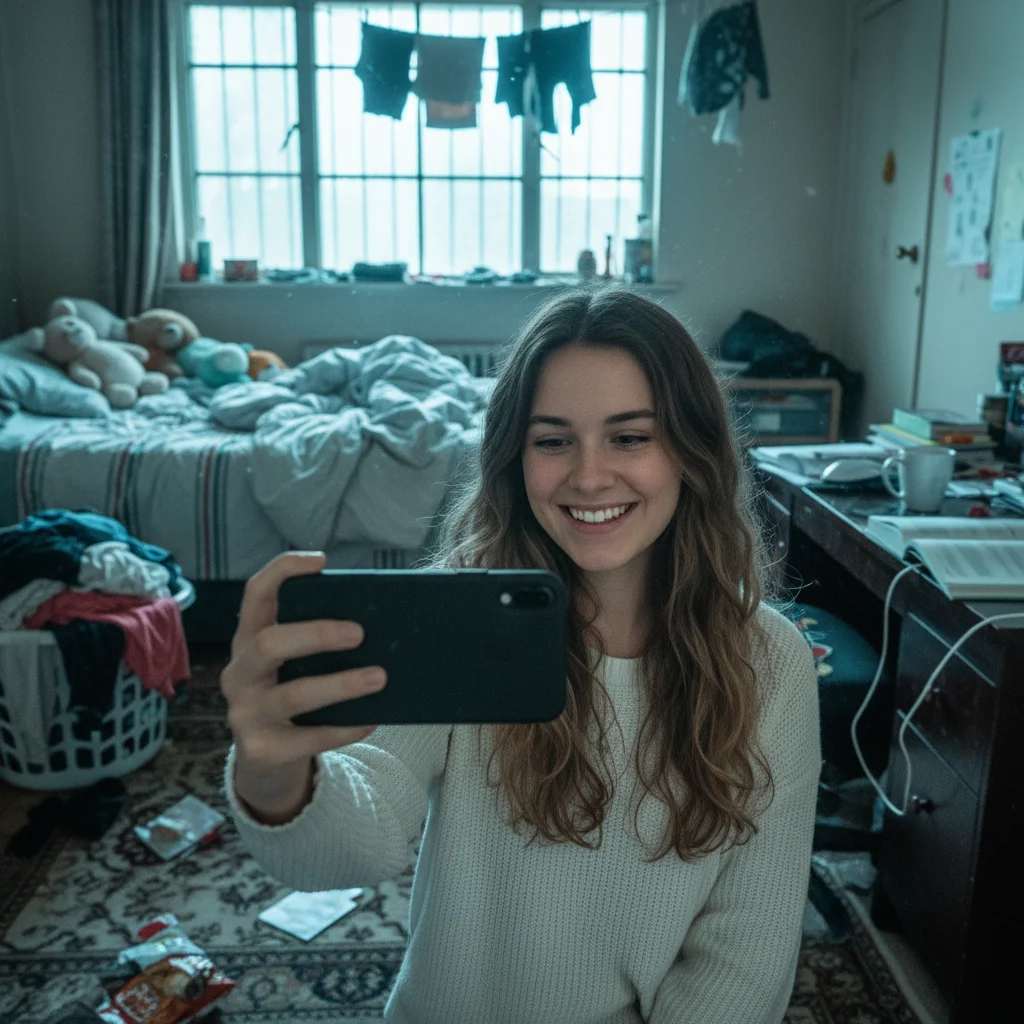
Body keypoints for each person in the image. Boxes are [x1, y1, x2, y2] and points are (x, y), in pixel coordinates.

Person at [220, 288, 821, 1023]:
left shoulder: (773, 665)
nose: (590, 476)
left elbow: (745, 956)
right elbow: (355, 843)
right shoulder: (457, 618)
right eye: (552, 439)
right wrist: (277, 772)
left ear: (694, 451)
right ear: (514, 455)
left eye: (630, 437)